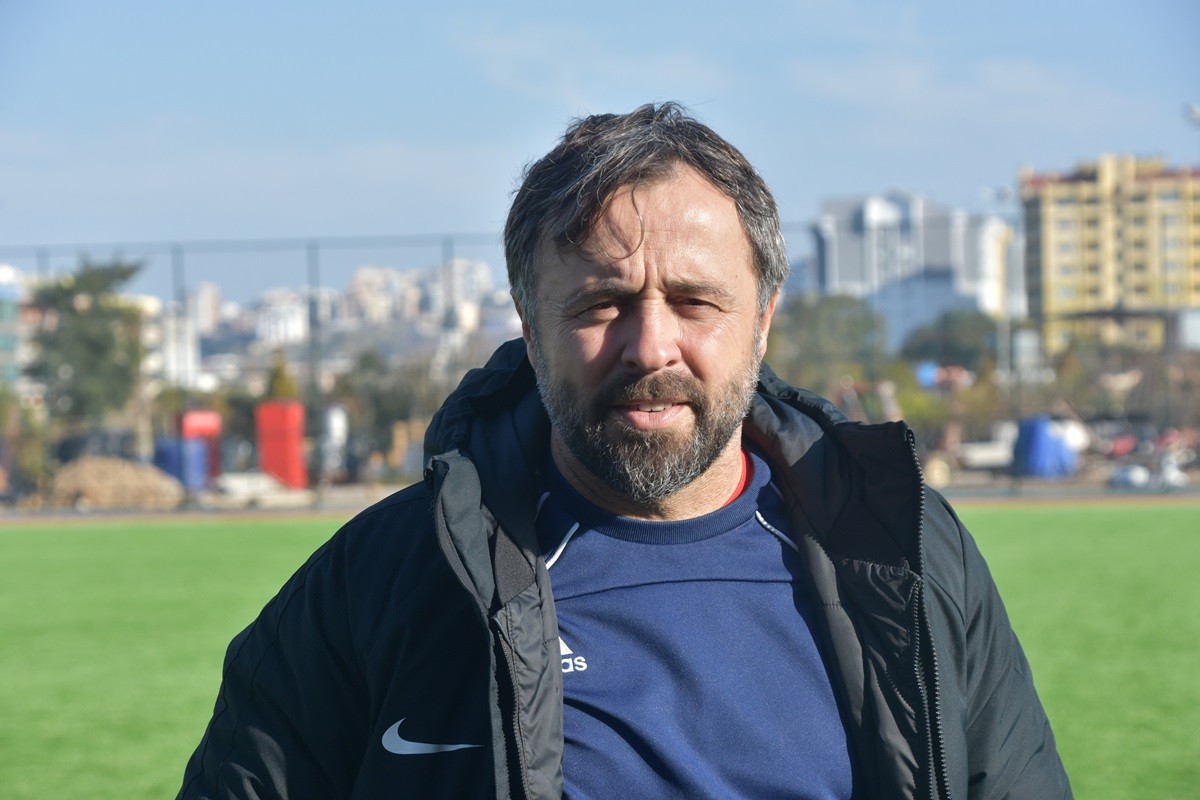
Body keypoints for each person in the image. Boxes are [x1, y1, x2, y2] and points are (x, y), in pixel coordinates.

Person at [177, 102, 1072, 799]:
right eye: (601, 304)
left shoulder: (907, 555)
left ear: (762, 321)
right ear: (530, 328)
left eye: (694, 301)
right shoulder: (382, 581)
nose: (650, 348)